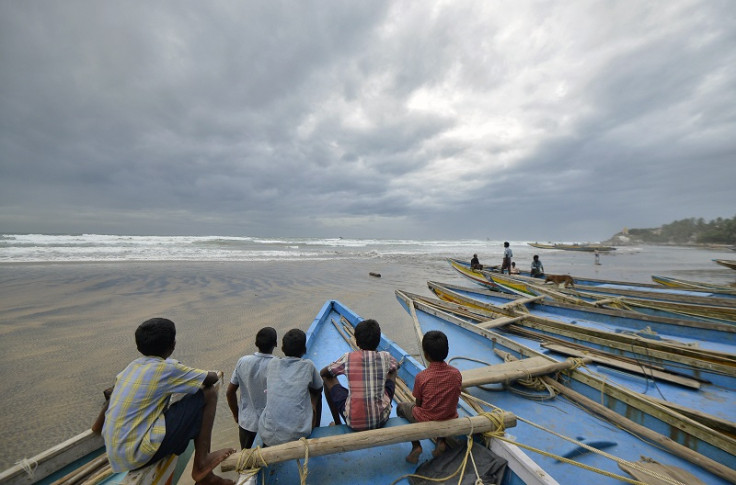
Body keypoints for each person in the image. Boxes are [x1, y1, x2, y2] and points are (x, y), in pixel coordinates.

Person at [101, 318, 235, 485]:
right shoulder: (167, 368)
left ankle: (205, 471)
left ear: (138, 346)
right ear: (173, 345)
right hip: (138, 454)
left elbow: (105, 409)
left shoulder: (130, 368)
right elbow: (212, 378)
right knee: (208, 394)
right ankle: (202, 463)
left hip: (115, 456)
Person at [320, 319, 399, 431]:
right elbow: (396, 366)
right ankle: (383, 406)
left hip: (354, 423)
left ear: (357, 342)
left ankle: (338, 423)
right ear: (378, 341)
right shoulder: (385, 357)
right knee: (393, 371)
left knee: (327, 379)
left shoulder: (348, 358)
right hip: (382, 419)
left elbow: (323, 373)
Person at [396, 331, 462, 463]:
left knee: (402, 408)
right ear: (447, 351)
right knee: (443, 408)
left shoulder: (422, 377)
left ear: (426, 355)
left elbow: (418, 404)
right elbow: (455, 397)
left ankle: (416, 445)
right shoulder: (456, 373)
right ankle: (441, 441)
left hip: (427, 418)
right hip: (449, 416)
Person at [258, 329, 323, 446]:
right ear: (304, 350)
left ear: (282, 349)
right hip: (297, 436)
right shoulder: (308, 365)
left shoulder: (272, 363)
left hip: (267, 435)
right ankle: (315, 428)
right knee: (317, 392)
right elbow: (319, 387)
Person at [226, 327, 277, 449]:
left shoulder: (243, 361)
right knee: (268, 462)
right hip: (270, 425)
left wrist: (236, 415)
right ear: (275, 344)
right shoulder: (277, 364)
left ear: (256, 344)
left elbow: (229, 392)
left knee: (246, 461)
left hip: (246, 425)